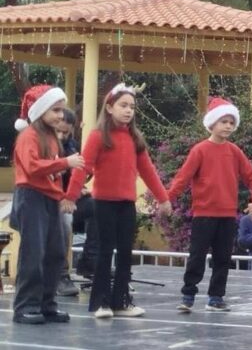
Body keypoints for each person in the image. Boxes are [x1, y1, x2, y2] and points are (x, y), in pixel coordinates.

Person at [64, 84, 170, 318]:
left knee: (124, 253)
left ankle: (121, 302)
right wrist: (71, 196)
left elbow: (148, 171)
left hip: (126, 205)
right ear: (110, 108)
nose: (128, 110)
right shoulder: (98, 136)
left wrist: (163, 198)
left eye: (132, 106)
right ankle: (100, 303)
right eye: (123, 105)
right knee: (104, 252)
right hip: (103, 203)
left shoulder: (135, 138)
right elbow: (83, 168)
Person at [167, 97, 252, 313]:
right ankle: (188, 295)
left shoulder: (235, 151)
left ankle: (216, 297)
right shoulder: (200, 150)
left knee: (223, 258)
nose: (228, 126)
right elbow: (183, 177)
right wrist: (168, 198)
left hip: (227, 215)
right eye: (223, 122)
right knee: (197, 256)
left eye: (231, 122)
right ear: (212, 123)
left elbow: (251, 176)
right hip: (204, 214)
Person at [10, 84, 84, 324]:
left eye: (61, 110)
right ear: (40, 110)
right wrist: (65, 163)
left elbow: (51, 171)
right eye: (55, 110)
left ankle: (47, 304)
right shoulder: (29, 136)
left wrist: (63, 191)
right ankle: (26, 306)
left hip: (50, 198)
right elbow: (32, 167)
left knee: (55, 253)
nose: (61, 115)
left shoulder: (51, 137)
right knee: (34, 252)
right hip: (31, 197)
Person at [55, 108, 81, 297]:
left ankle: (90, 261)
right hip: (45, 199)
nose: (61, 136)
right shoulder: (40, 142)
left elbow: (79, 172)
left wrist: (78, 190)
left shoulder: (72, 146)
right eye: (58, 131)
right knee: (63, 224)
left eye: (65, 132)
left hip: (67, 198)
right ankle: (60, 274)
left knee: (97, 207)